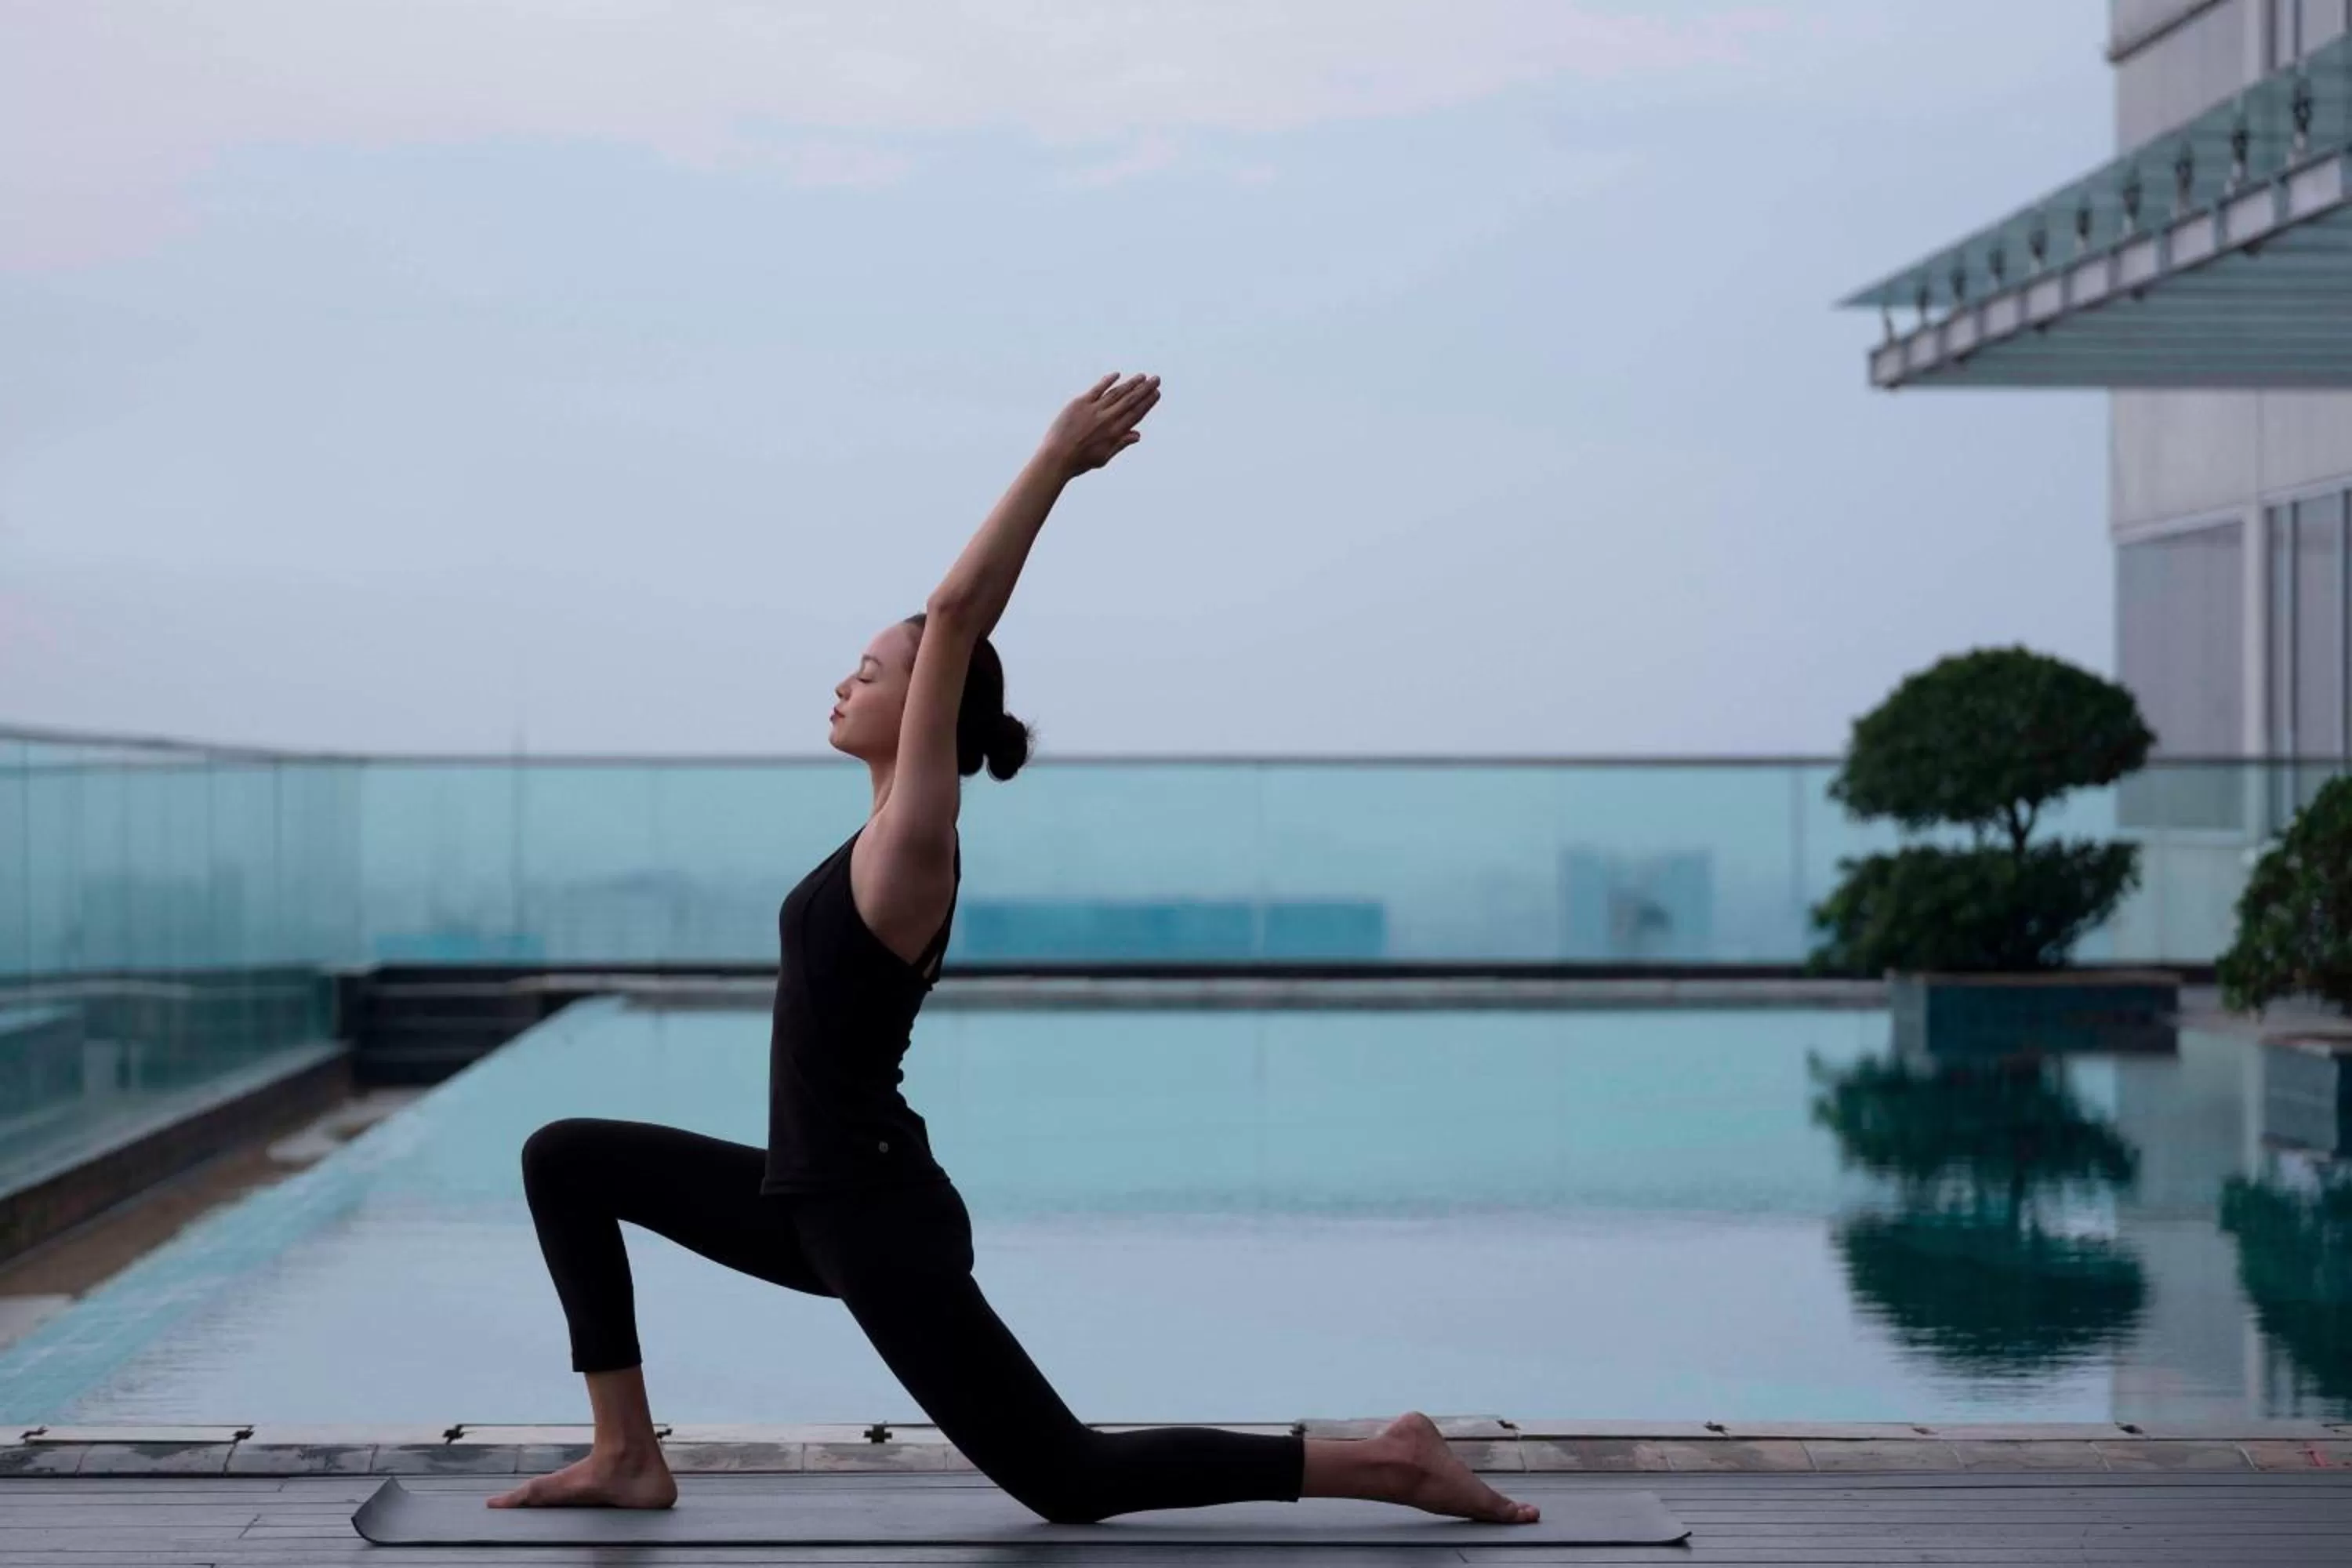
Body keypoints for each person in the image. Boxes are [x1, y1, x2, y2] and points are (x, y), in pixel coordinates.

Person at [488, 373, 1539, 1527]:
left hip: (873, 1215)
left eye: (872, 673)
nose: (845, 682)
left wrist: (1055, 461)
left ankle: (1389, 1462)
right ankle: (626, 1454)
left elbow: (953, 612)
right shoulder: (868, 839)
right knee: (567, 1156)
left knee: (1066, 1480)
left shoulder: (914, 843)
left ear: (928, 707)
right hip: (806, 1198)